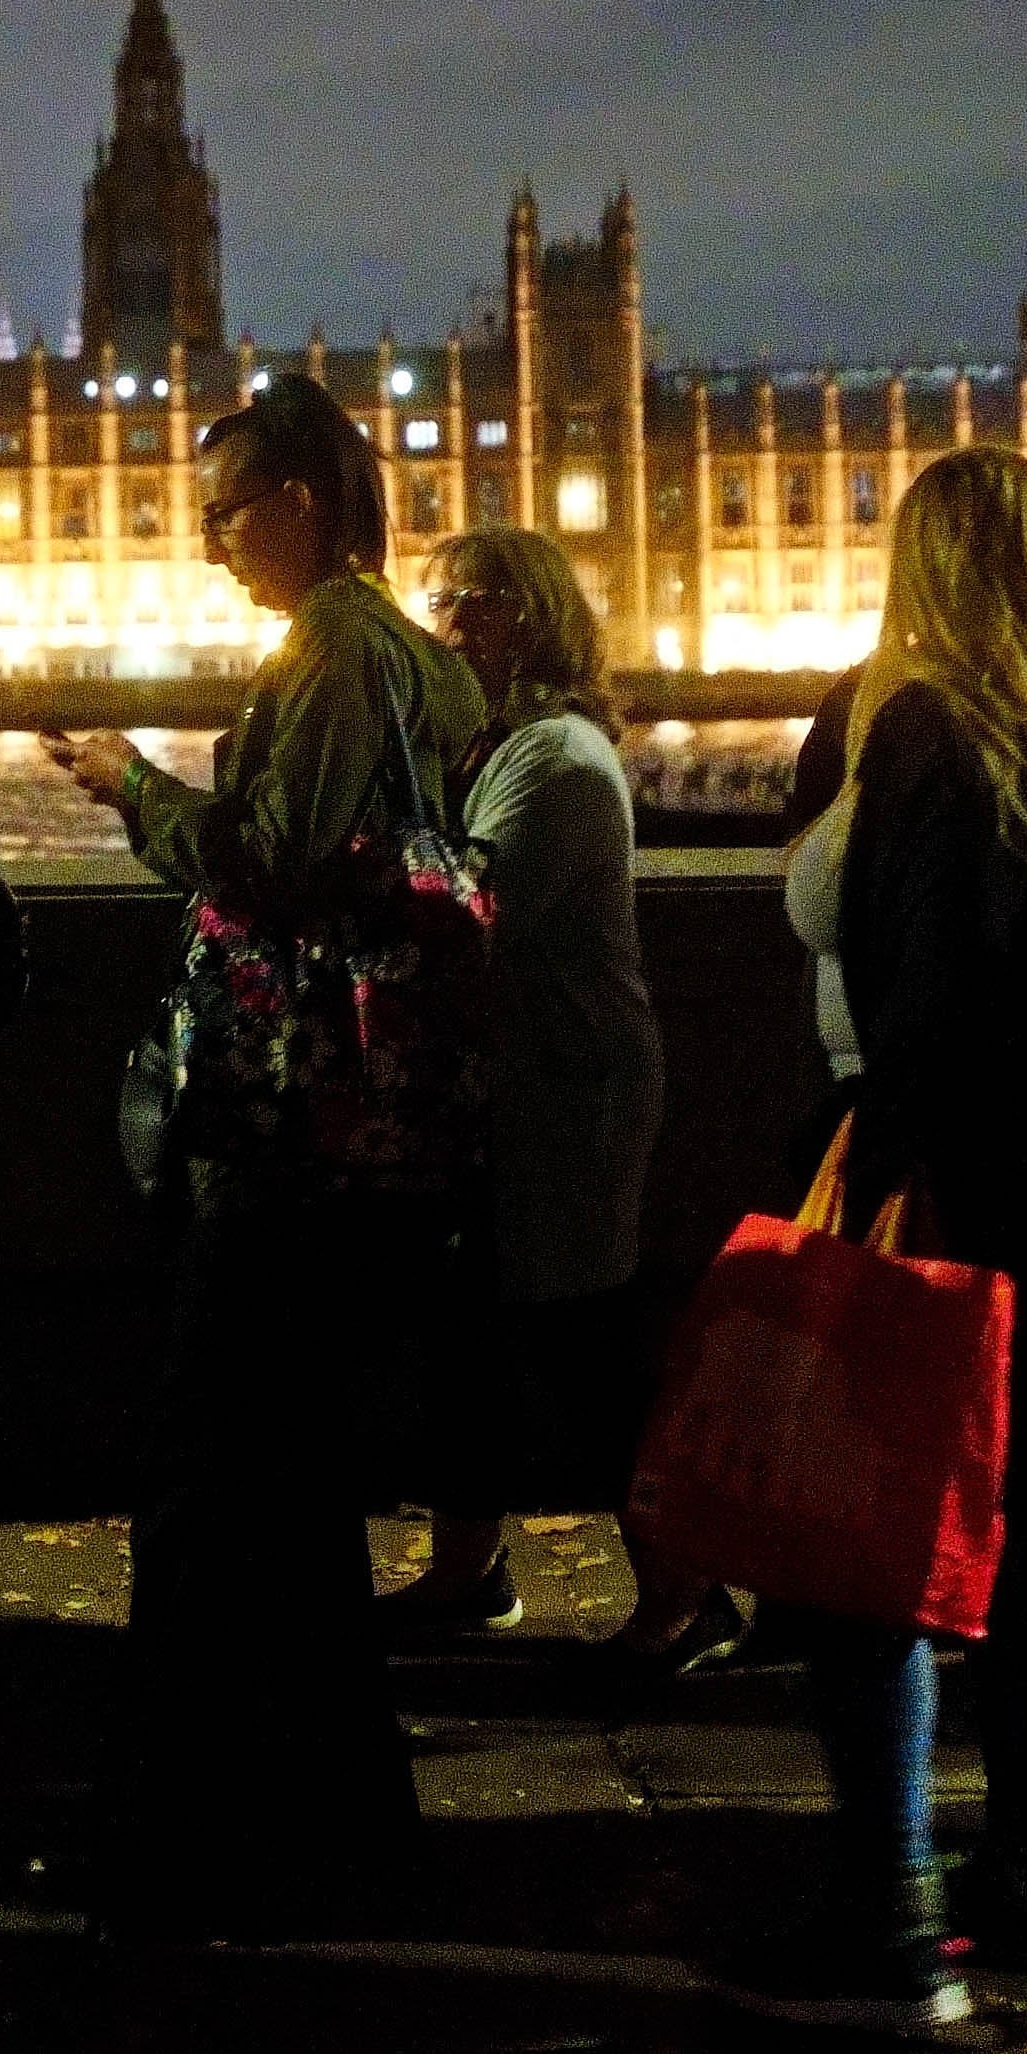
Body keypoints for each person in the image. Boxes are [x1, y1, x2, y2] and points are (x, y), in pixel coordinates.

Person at [46, 375, 487, 1934]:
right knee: (297, 1495)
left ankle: (162, 1821)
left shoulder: (339, 655)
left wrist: (131, 787)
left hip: (295, 1115)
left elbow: (277, 868)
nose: (209, 540)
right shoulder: (413, 660)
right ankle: (339, 1823)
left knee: (204, 1478)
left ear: (303, 497)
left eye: (226, 508)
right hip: (372, 1118)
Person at [754, 447, 1027, 2034]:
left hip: (945, 1192)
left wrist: (868, 1172)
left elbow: (912, 991)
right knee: (1017, 1568)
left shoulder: (927, 733)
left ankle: (890, 1914)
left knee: (869, 1564)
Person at [378, 525, 666, 1639]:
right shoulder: (493, 747)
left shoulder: (553, 758)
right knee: (467, 1337)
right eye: (431, 597)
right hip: (501, 1085)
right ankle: (465, 1569)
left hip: (567, 1089)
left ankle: (684, 1597)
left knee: (585, 1348)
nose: (435, 623)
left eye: (458, 601)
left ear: (521, 616)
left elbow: (467, 913)